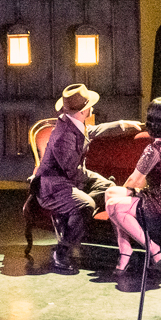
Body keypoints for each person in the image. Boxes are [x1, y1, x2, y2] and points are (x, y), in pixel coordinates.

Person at [31, 83, 136, 272]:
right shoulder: (63, 135)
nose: (92, 107)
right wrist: (82, 196)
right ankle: (61, 253)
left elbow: (91, 131)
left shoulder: (73, 122)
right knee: (85, 205)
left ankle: (69, 214)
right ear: (83, 110)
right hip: (53, 186)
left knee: (109, 188)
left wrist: (122, 124)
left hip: (69, 177)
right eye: (90, 105)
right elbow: (70, 171)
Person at [101, 98, 161, 272]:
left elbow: (134, 180)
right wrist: (124, 194)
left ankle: (153, 249)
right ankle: (125, 250)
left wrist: (123, 197)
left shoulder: (154, 150)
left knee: (113, 205)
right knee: (110, 193)